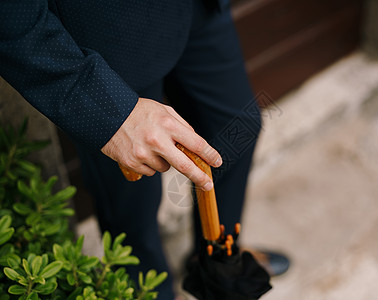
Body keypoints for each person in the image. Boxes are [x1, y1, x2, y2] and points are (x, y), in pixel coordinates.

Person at [0, 0, 289, 298]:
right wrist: (111, 113)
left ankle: (218, 265)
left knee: (238, 127)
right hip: (104, 40)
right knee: (132, 200)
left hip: (195, 10)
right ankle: (150, 292)